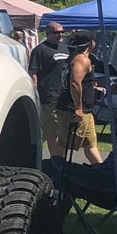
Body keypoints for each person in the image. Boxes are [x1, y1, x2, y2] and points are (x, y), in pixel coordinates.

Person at [47, 35, 101, 163]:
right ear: (91, 44)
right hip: (73, 110)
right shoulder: (81, 60)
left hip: (86, 110)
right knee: (65, 143)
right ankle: (58, 169)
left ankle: (102, 171)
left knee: (90, 144)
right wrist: (78, 108)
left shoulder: (79, 58)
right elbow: (75, 83)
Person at [32, 23, 74, 154]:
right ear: (47, 34)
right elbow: (33, 72)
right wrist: (35, 93)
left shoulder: (66, 48)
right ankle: (56, 162)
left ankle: (59, 161)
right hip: (49, 97)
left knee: (62, 132)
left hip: (64, 97)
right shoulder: (41, 50)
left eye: (62, 32)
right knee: (52, 132)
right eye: (56, 33)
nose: (60, 35)